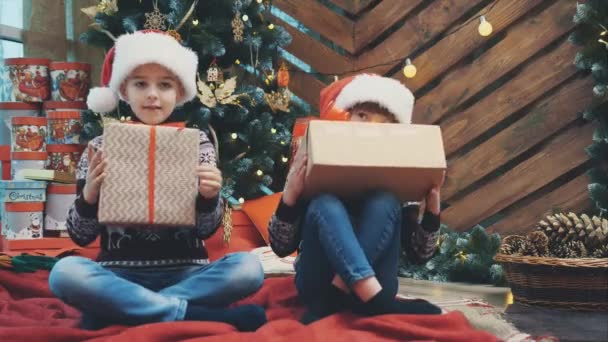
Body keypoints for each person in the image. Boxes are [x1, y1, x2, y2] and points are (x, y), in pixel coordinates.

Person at [48, 30, 266, 331]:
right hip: (118, 274)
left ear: (178, 93)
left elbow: (207, 228)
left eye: (164, 85)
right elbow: (79, 235)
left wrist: (209, 197)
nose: (153, 94)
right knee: (65, 273)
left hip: (188, 273)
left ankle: (125, 309)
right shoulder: (100, 146)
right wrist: (89, 196)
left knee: (249, 268)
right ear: (124, 91)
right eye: (141, 84)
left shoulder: (198, 143)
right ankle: (193, 313)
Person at [268, 74, 444, 323]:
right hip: (317, 286)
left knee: (385, 201)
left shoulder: (399, 174)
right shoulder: (315, 161)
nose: (371, 127)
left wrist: (432, 215)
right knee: (325, 203)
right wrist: (290, 197)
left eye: (385, 123)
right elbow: (280, 246)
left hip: (367, 286)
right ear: (344, 115)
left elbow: (419, 255)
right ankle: (376, 300)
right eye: (363, 115)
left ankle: (343, 290)